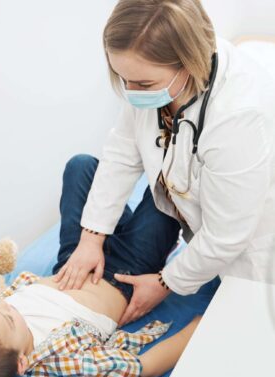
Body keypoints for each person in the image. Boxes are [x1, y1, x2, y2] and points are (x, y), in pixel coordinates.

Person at [55, 0, 275, 326]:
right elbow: (121, 154)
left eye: (143, 85)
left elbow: (226, 236)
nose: (130, 93)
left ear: (189, 63)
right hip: (194, 220)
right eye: (121, 78)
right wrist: (90, 239)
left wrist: (165, 283)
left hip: (252, 252)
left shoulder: (240, 116)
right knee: (82, 166)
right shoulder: (151, 79)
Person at [0, 250, 201, 377]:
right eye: (8, 318)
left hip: (74, 262)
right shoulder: (62, 359)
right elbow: (144, 368)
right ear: (21, 363)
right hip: (122, 274)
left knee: (79, 169)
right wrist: (198, 328)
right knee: (157, 205)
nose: (4, 304)